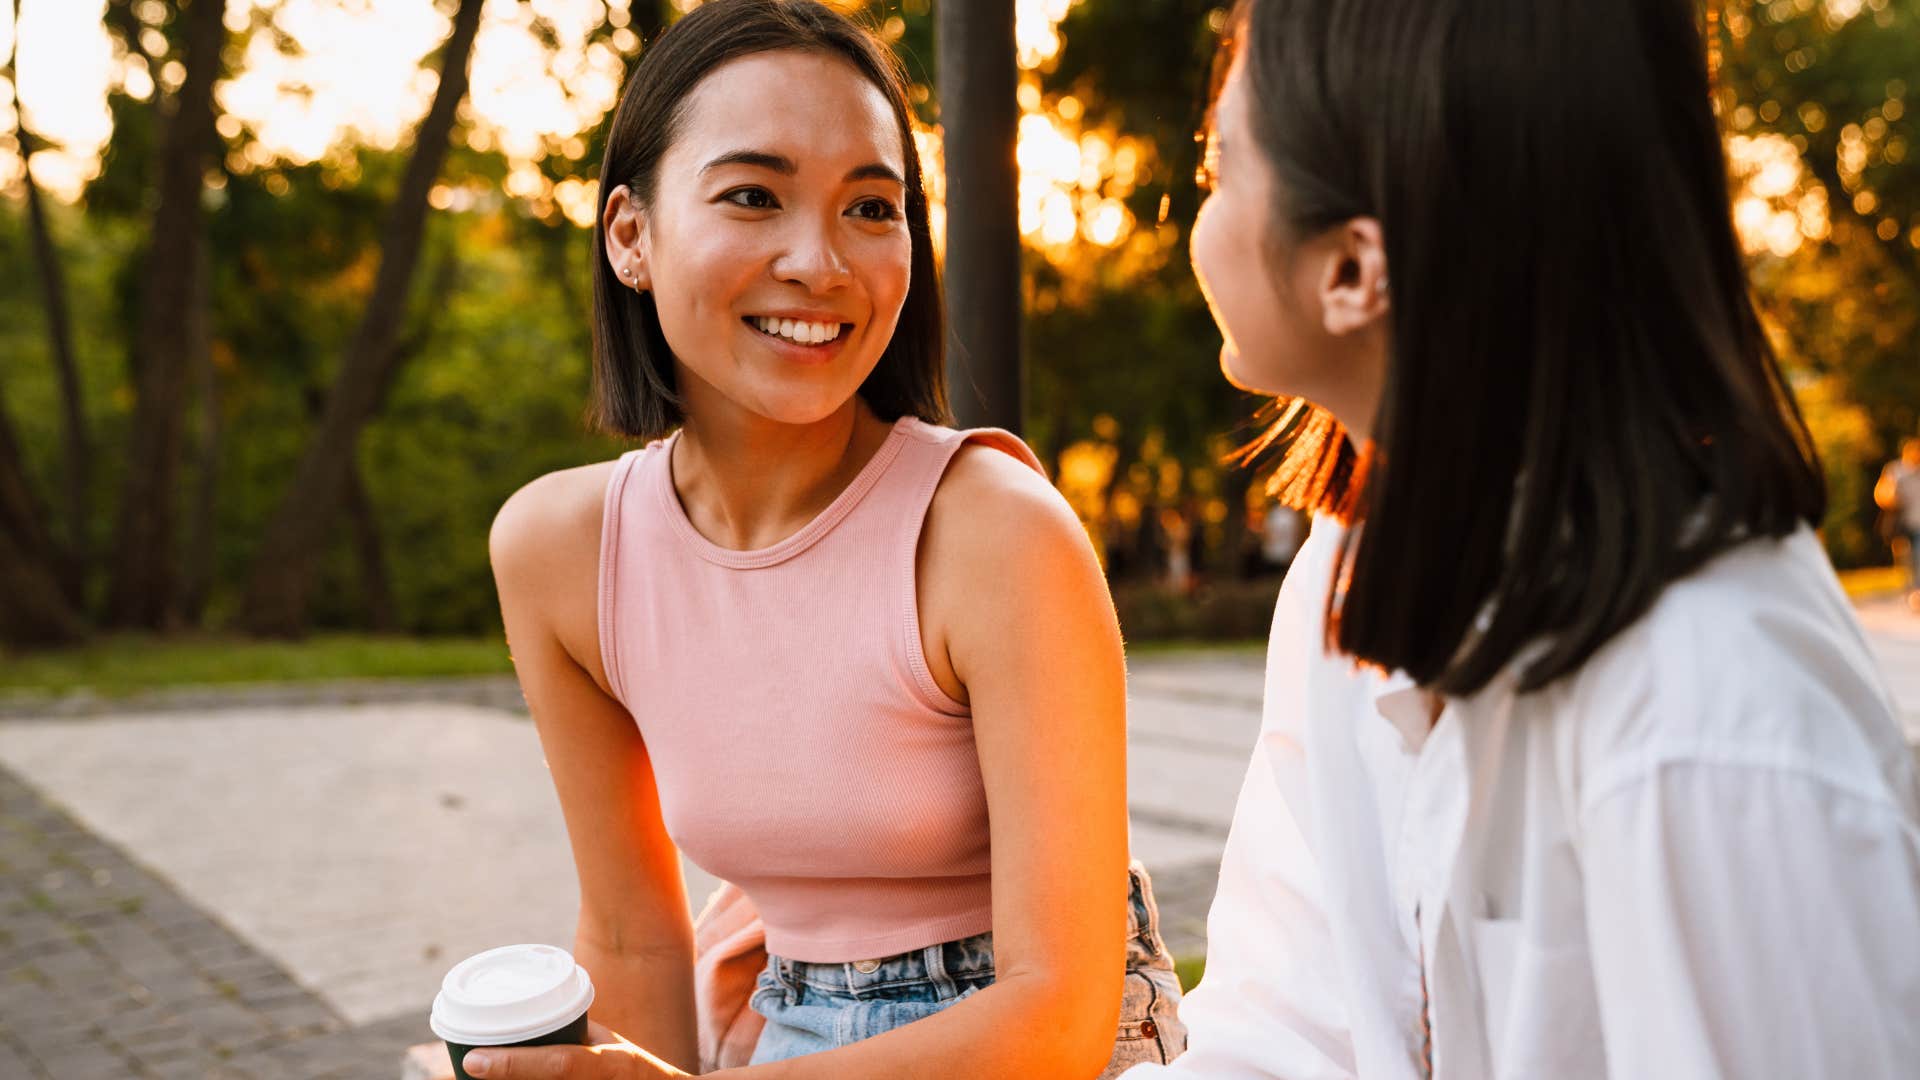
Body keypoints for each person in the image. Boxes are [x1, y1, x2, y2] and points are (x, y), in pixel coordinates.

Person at [1127, 0, 1920, 1077]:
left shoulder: (1710, 718)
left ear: (1353, 270)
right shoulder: (1348, 580)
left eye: (1218, 166)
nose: (1198, 213)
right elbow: (1287, 1029)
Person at [478, 2, 1183, 1077]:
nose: (819, 262)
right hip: (787, 1029)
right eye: (753, 196)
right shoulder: (558, 553)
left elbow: (1059, 1017)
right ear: (630, 236)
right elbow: (630, 937)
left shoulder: (994, 532)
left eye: (870, 207)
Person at [1876, 436, 1920, 611]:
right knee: (1906, 560)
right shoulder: (1896, 471)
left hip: (1918, 524)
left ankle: (1916, 593)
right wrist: (1892, 495)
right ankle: (1911, 591)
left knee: (1918, 557)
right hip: (1900, 525)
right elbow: (1880, 494)